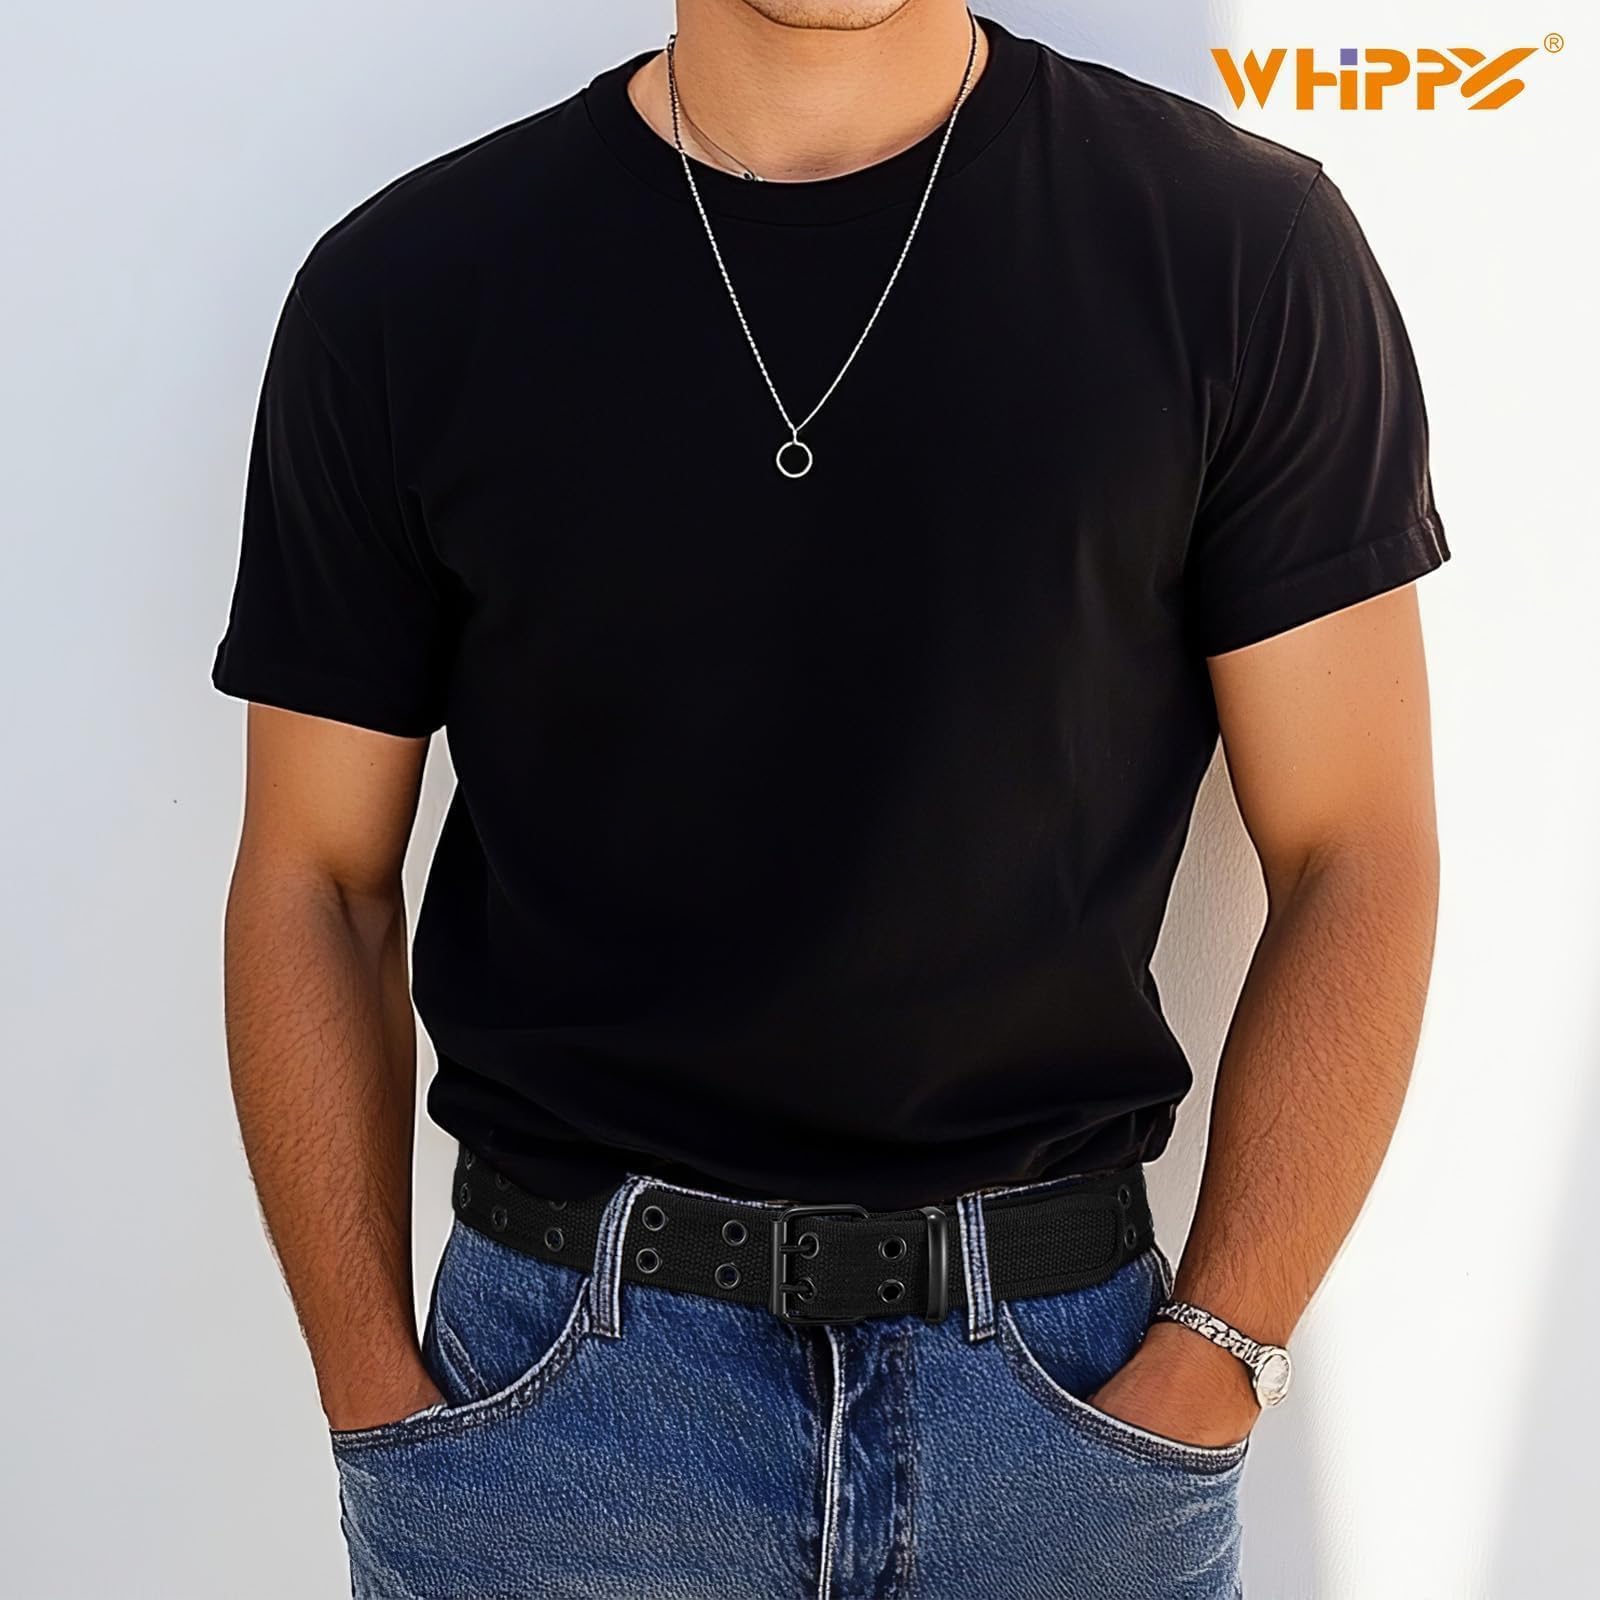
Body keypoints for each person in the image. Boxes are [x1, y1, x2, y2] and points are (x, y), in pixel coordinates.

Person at [211, 3, 1448, 1596]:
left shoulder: (1237, 251)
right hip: (553, 1433)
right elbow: (315, 874)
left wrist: (1222, 1351)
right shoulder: (411, 287)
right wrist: (372, 1394)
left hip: (1065, 1420)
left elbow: (1357, 848)